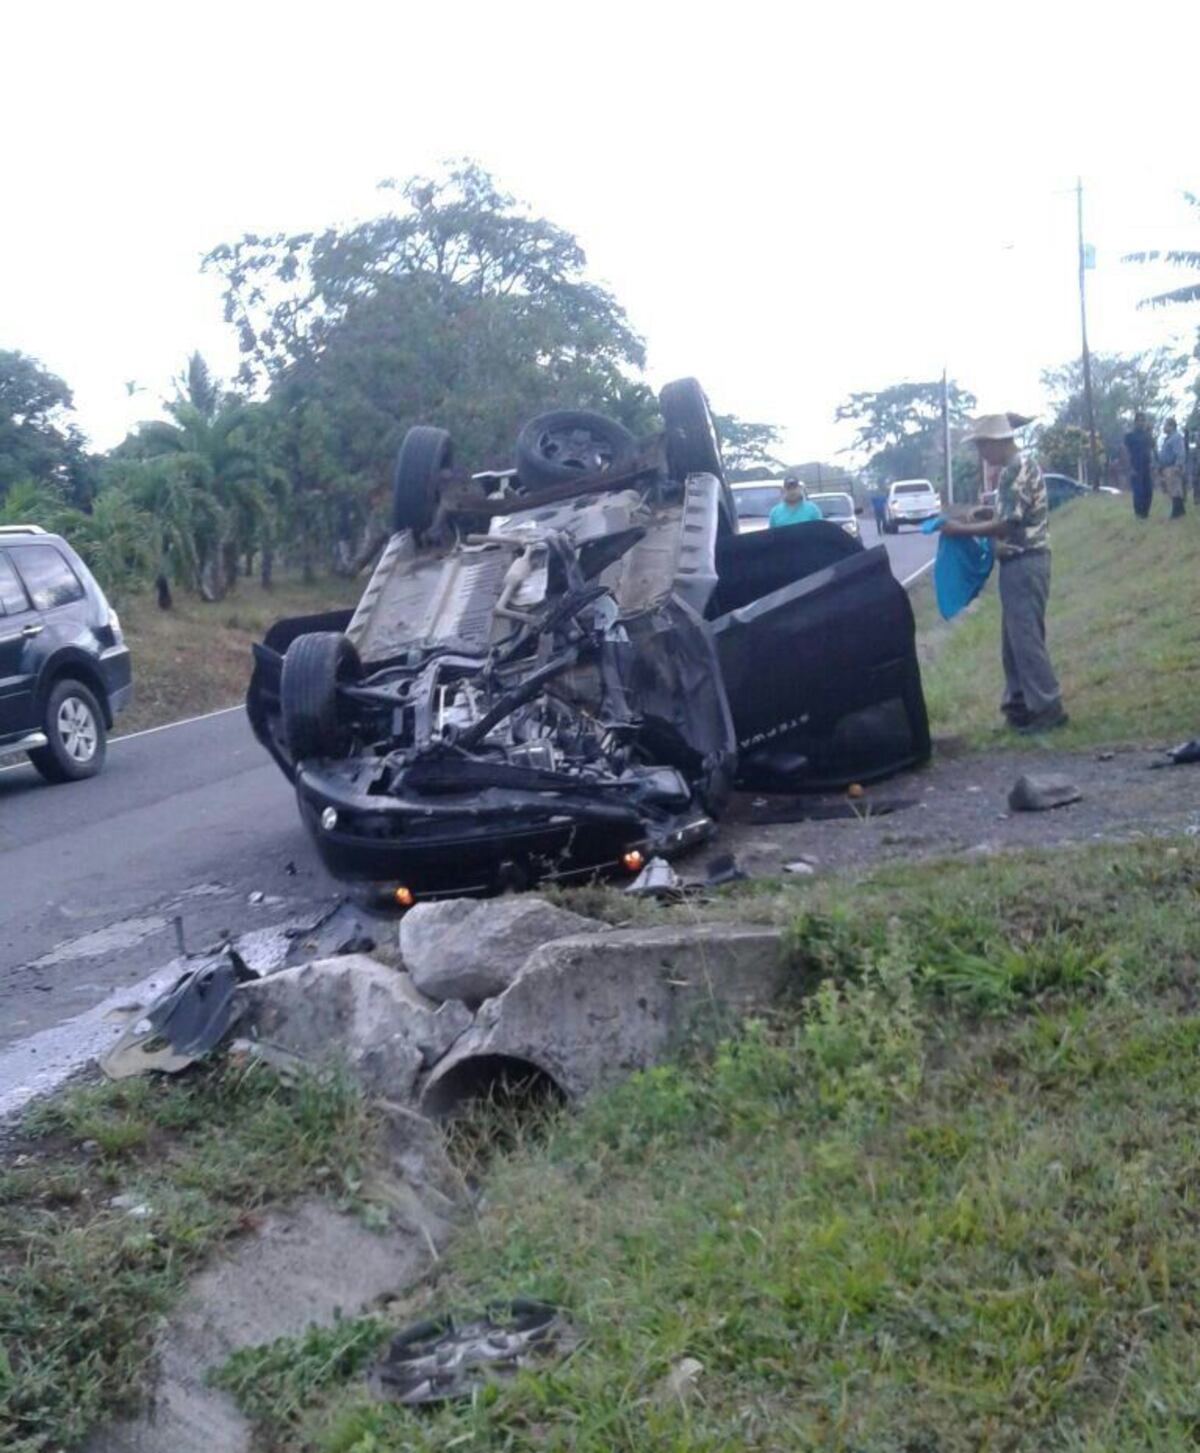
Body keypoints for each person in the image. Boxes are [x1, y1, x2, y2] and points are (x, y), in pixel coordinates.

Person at [938, 413, 1066, 733]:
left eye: (982, 446)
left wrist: (961, 529)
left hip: (1025, 559)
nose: (981, 454)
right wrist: (985, 512)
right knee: (1012, 642)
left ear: (997, 442)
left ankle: (1048, 710)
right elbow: (1011, 511)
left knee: (1025, 640)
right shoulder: (1015, 469)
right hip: (1018, 562)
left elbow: (1008, 524)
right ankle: (1019, 708)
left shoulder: (1016, 469)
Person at [1124, 411, 1156, 520]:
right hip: (1136, 466)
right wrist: (1129, 467)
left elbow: (1152, 446)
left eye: (1143, 420)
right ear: (1135, 422)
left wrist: (1150, 432)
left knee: (1148, 491)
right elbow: (1125, 452)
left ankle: (1145, 513)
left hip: (1146, 466)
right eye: (1140, 420)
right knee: (1138, 491)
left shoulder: (1147, 435)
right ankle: (1138, 514)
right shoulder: (1130, 436)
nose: (1142, 423)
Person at [1159, 417, 1186, 519]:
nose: (1164, 427)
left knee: (1175, 489)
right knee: (1172, 489)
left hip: (1172, 467)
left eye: (1165, 425)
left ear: (1172, 426)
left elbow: (1180, 453)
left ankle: (1176, 512)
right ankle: (1179, 511)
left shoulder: (1176, 437)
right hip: (1167, 467)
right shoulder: (1169, 438)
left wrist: (1178, 465)